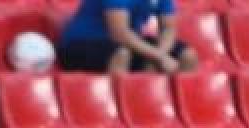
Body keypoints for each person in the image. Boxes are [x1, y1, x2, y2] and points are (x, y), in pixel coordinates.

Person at [57, 0, 198, 74]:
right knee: (122, 54)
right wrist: (160, 57)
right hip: (78, 45)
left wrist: (160, 53)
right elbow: (119, 33)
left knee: (187, 55)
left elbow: (168, 28)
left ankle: (165, 108)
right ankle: (118, 112)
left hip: (125, 42)